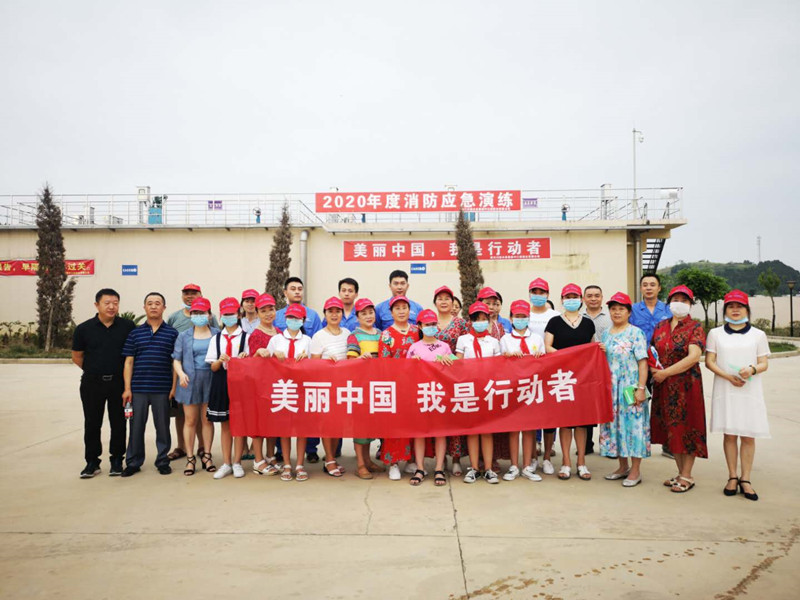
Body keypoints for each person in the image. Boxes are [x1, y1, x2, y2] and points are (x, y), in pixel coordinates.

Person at [705, 290, 770, 501]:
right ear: (724, 310)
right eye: (730, 306)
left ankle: (746, 479)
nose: (735, 310)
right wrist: (728, 377)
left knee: (748, 434)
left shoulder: (758, 335)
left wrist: (752, 369)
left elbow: (764, 363)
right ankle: (732, 476)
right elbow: (710, 361)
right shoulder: (715, 334)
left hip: (750, 390)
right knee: (730, 434)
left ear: (747, 310)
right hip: (726, 388)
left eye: (739, 306)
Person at [72, 288, 136, 478]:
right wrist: (94, 370)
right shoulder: (84, 329)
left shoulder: (127, 326)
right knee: (92, 422)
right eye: (107, 303)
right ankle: (92, 462)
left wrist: (127, 385)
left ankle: (116, 459)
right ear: (97, 305)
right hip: (92, 383)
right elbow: (77, 356)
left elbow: (132, 356)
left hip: (119, 383)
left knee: (119, 422)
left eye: (115, 303)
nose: (111, 307)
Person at [650, 285, 707, 494]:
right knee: (671, 430)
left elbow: (693, 357)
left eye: (684, 300)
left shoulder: (695, 327)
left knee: (688, 428)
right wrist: (654, 370)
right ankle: (680, 472)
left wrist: (665, 373)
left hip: (686, 386)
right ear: (669, 303)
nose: (679, 304)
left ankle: (687, 475)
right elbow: (652, 352)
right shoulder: (661, 326)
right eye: (676, 299)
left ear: (691, 304)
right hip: (664, 387)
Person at [121, 292, 180, 477]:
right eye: (150, 303)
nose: (154, 306)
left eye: (157, 303)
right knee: (135, 427)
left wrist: (173, 387)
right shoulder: (135, 333)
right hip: (138, 389)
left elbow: (175, 362)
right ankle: (133, 462)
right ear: (144, 307)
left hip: (162, 389)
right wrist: (127, 389)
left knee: (162, 427)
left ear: (164, 307)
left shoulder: (172, 333)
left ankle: (162, 461)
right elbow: (129, 362)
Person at [544, 283, 596, 481]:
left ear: (580, 300)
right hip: (561, 378)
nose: (571, 300)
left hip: (583, 378)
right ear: (562, 300)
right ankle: (566, 462)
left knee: (581, 423)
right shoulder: (554, 322)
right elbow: (547, 347)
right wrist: (567, 356)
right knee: (565, 422)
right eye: (567, 297)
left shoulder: (588, 323)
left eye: (575, 296)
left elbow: (592, 348)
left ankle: (581, 462)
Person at [598, 292, 650, 487]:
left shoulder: (636, 333)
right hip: (611, 388)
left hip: (630, 386)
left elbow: (642, 362)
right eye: (613, 309)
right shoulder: (606, 334)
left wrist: (641, 388)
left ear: (629, 312)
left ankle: (635, 470)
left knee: (634, 427)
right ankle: (622, 467)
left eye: (621, 309)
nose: (617, 312)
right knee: (616, 426)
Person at [165, 283, 219, 463]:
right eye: (195, 313)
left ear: (209, 315)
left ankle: (206, 454)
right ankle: (189, 457)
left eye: (202, 313)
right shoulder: (183, 335)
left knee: (207, 420)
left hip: (210, 380)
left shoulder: (217, 334)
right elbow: (176, 358)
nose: (198, 316)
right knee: (189, 420)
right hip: (188, 381)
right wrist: (180, 374)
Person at [273, 276, 322, 461]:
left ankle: (311, 449)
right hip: (282, 377)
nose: (297, 291)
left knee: (308, 412)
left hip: (306, 375)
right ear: (285, 292)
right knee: (282, 409)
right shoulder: (277, 315)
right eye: (292, 288)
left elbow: (317, 340)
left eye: (300, 288)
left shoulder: (313, 315)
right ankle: (280, 450)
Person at [407, 309, 455, 487]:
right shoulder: (414, 348)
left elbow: (455, 368)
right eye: (427, 324)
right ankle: (420, 468)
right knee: (420, 432)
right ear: (420, 326)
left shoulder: (444, 347)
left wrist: (449, 360)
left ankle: (439, 468)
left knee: (440, 432)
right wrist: (412, 363)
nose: (431, 327)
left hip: (440, 394)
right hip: (420, 394)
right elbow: (406, 372)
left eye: (433, 324)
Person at [456, 301, 502, 484]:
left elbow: (498, 367)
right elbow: (458, 363)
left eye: (484, 319)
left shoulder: (494, 342)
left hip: (488, 390)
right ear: (471, 321)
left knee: (487, 430)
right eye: (477, 319)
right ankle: (474, 468)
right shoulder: (463, 340)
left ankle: (488, 469)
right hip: (470, 390)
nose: (480, 322)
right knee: (473, 430)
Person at [499, 299, 544, 482]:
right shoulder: (505, 339)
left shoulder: (537, 339)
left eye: (523, 316)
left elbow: (545, 364)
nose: (520, 319)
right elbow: (498, 363)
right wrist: (507, 356)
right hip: (512, 388)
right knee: (513, 428)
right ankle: (513, 465)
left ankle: (527, 466)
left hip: (531, 388)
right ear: (511, 318)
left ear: (528, 318)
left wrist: (540, 357)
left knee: (528, 428)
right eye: (517, 316)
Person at [205, 297, 250, 480]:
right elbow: (213, 367)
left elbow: (251, 365)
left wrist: (243, 359)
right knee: (225, 424)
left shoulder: (246, 337)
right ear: (221, 315)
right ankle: (226, 463)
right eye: (225, 314)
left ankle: (237, 462)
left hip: (240, 382)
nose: (229, 317)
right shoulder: (216, 338)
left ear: (238, 314)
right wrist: (219, 360)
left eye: (232, 313)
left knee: (238, 424)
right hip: (221, 381)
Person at [266, 303, 312, 481]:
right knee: (284, 427)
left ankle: (299, 465)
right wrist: (272, 355)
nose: (293, 321)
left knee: (302, 428)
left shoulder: (307, 340)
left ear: (303, 320)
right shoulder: (276, 340)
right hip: (282, 388)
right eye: (290, 317)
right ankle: (286, 464)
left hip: (301, 388)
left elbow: (316, 365)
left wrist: (306, 359)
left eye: (297, 318)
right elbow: (264, 364)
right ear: (285, 319)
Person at [378, 295, 421, 480]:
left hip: (416, 385)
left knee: (413, 423)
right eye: (397, 308)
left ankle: (411, 460)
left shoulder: (417, 331)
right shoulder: (386, 335)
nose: (401, 311)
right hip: (395, 386)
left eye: (404, 308)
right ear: (391, 312)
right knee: (394, 425)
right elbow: (384, 362)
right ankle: (393, 462)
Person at [310, 297, 352, 478]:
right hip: (326, 386)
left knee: (338, 425)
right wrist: (327, 362)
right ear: (325, 314)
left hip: (343, 386)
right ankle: (328, 459)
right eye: (330, 311)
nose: (334, 315)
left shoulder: (347, 333)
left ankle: (332, 458)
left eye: (337, 311)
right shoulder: (319, 336)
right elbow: (313, 364)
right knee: (327, 424)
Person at [346, 297, 386, 479]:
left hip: (379, 386)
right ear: (357, 317)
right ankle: (360, 464)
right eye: (364, 313)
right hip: (361, 386)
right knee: (360, 427)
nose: (368, 316)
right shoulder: (354, 336)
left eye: (371, 312)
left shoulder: (381, 334)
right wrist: (360, 359)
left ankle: (368, 461)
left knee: (371, 426)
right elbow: (350, 359)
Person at [432, 285, 469, 476]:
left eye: (447, 298)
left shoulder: (461, 323)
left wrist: (452, 360)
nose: (444, 302)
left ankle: (455, 458)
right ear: (435, 302)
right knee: (437, 416)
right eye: (440, 298)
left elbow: (467, 346)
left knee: (455, 416)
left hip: (455, 376)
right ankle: (440, 458)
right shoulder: (429, 321)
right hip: (432, 377)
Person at [527, 277, 561, 471]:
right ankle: (533, 456)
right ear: (530, 294)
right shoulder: (524, 314)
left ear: (548, 294)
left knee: (550, 414)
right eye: (535, 292)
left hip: (551, 369)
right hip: (529, 371)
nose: (538, 295)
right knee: (531, 414)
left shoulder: (555, 316)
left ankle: (547, 456)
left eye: (542, 292)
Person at [246, 293, 282, 476]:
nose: (268, 313)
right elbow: (251, 363)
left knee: (273, 422)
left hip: (277, 384)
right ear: (258, 313)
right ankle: (258, 460)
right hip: (260, 385)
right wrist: (258, 353)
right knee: (259, 423)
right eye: (263, 310)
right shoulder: (256, 335)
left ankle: (270, 455)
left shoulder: (279, 332)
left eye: (271, 309)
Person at [582, 285, 612, 455]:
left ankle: (607, 445)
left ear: (601, 297)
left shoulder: (610, 317)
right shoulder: (578, 317)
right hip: (585, 369)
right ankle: (586, 444)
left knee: (605, 404)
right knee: (587, 406)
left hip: (607, 366)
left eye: (596, 295)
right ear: (584, 298)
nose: (593, 299)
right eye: (589, 296)